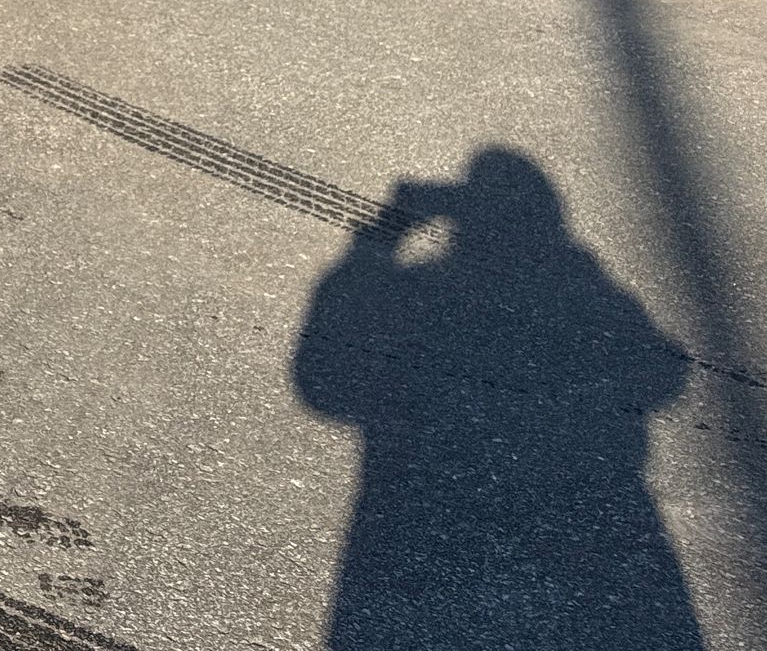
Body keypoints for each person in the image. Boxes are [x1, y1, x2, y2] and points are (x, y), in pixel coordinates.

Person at [293, 148, 700, 649]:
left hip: (413, 501)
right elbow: (662, 374)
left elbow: (324, 384)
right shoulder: (580, 282)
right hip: (591, 504)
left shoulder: (434, 289)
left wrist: (382, 233)